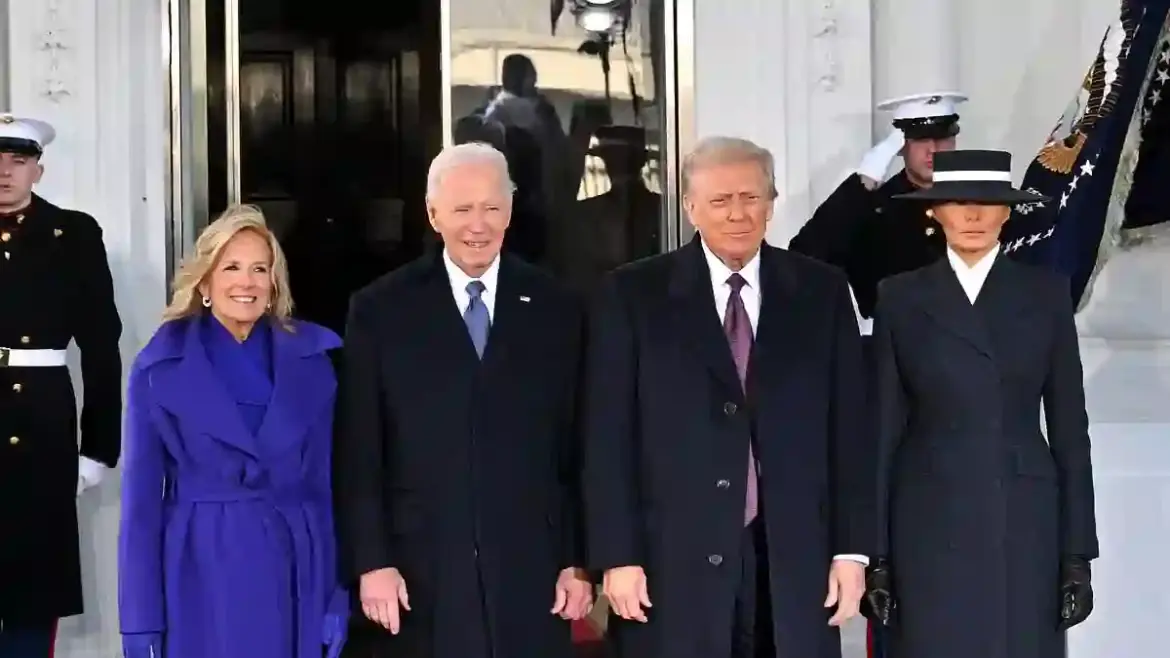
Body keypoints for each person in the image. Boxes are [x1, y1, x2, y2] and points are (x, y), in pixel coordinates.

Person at [582, 136, 870, 658]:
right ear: (690, 207)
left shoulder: (821, 291)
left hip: (791, 556)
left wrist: (852, 551)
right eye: (719, 201)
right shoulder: (631, 296)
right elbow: (606, 437)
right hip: (670, 561)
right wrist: (616, 557)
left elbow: (850, 430)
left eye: (751, 197)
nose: (738, 214)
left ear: (772, 201)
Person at [334, 142, 592, 658]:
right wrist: (372, 562)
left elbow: (577, 446)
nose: (479, 224)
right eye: (462, 209)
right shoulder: (381, 309)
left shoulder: (557, 306)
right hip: (419, 571)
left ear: (511, 211)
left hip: (531, 569)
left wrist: (577, 559)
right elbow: (359, 449)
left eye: (492, 208)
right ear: (433, 214)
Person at [864, 150, 1098, 658]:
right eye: (958, 202)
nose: (973, 216)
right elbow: (882, 429)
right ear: (934, 211)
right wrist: (876, 556)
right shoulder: (899, 298)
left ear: (1007, 212)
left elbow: (1069, 431)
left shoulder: (1046, 295)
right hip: (925, 523)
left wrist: (1077, 554)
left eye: (988, 204)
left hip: (1024, 522)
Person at [118, 206, 348, 658]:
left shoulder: (312, 363)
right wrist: (140, 623)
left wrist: (335, 594)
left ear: (274, 283)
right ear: (205, 282)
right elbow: (141, 509)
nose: (247, 282)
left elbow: (325, 489)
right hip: (200, 575)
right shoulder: (160, 367)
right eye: (232, 268)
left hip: (296, 573)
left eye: (260, 269)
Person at [0, 114, 122, 658]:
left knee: (32, 590)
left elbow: (100, 346)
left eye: (18, 161)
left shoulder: (72, 234)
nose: (5, 173)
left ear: (38, 171)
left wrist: (97, 449)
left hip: (42, 425)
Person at [789, 92, 967, 323]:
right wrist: (864, 181)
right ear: (901, 145)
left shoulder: (980, 202)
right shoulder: (873, 206)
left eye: (942, 138)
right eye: (920, 139)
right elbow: (804, 258)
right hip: (892, 346)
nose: (932, 149)